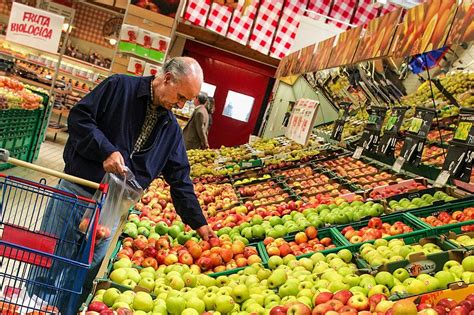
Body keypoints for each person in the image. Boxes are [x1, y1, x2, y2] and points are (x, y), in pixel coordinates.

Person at [28, 57, 216, 313]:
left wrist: (200, 224)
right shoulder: (119, 87)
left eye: (186, 102)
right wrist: (105, 150)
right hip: (77, 192)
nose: (181, 105)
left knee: (83, 273)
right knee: (50, 261)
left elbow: (180, 179)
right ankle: (31, 307)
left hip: (110, 210)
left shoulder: (170, 129)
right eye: (181, 97)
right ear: (168, 78)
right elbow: (80, 119)